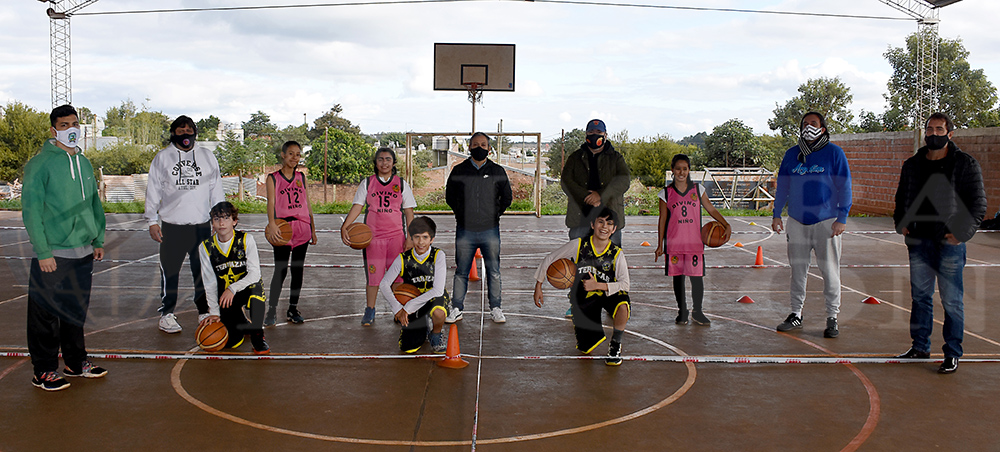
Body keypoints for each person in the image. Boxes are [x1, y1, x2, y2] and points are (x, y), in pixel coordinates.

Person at [22, 104, 108, 391]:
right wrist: (43, 251)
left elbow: (94, 203)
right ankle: (43, 370)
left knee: (74, 310)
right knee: (44, 313)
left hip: (83, 250)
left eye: (74, 124)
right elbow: (31, 210)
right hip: (53, 253)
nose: (71, 129)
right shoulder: (40, 164)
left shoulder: (84, 163)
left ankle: (75, 362)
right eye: (63, 125)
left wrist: (97, 238)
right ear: (53, 130)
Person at [893, 112, 986, 374]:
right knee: (920, 297)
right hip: (918, 242)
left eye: (939, 129)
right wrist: (902, 223)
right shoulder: (912, 164)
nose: (933, 134)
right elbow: (901, 199)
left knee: (952, 301)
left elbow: (978, 204)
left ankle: (952, 353)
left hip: (949, 243)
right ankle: (920, 346)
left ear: (950, 133)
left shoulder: (965, 164)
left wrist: (962, 233)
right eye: (929, 129)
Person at [771, 111, 852, 338]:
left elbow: (845, 187)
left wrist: (842, 218)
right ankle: (796, 314)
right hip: (797, 221)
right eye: (805, 124)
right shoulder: (792, 155)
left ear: (823, 128)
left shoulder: (834, 153)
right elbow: (783, 188)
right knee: (798, 271)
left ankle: (832, 318)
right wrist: (777, 214)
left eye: (814, 123)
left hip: (827, 222)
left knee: (830, 272)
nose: (809, 127)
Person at [144, 115, 224, 334]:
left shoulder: (207, 157)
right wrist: (152, 220)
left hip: (201, 226)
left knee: (203, 271)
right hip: (172, 226)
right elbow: (153, 190)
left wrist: (219, 219)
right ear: (173, 133)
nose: (185, 134)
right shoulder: (163, 158)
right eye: (180, 131)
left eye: (189, 130)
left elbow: (216, 190)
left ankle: (204, 310)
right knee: (170, 272)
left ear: (195, 132)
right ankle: (167, 314)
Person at [533, 207, 631, 366]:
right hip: (585, 298)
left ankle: (615, 345)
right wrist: (539, 285)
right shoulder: (578, 245)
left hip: (607, 294)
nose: (604, 227)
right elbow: (550, 258)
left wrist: (597, 285)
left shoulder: (617, 253)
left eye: (609, 224)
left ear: (614, 229)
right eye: (601, 222)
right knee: (586, 348)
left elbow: (625, 285)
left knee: (623, 304)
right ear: (593, 224)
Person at [342, 147, 416, 326]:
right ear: (376, 163)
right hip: (373, 238)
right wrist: (345, 226)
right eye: (381, 159)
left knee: (397, 277)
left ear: (393, 162)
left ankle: (397, 309)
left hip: (396, 237)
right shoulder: (367, 183)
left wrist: (410, 237)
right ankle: (370, 309)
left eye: (388, 159)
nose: (384, 163)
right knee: (373, 277)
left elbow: (409, 213)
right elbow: (358, 207)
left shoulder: (402, 183)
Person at [655, 154, 731, 326]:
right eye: (678, 169)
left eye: (685, 168)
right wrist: (660, 244)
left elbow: (711, 209)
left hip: (694, 242)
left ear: (689, 170)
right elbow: (662, 220)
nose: (681, 172)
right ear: (672, 170)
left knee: (697, 278)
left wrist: (725, 224)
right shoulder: (665, 193)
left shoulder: (698, 190)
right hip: (674, 243)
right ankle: (682, 311)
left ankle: (698, 311)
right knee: (678, 279)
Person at [445, 132, 512, 324]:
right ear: (469, 147)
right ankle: (457, 308)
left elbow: (507, 198)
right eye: (475, 144)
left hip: (490, 229)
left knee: (494, 271)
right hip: (465, 229)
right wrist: (462, 214)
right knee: (461, 271)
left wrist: (493, 215)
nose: (479, 148)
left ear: (489, 148)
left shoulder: (498, 171)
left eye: (483, 144)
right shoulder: (459, 170)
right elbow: (450, 197)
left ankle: (496, 307)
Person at [197, 202, 269, 354]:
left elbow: (255, 274)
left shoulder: (245, 240)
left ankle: (258, 336)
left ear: (234, 221)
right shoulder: (206, 247)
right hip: (225, 296)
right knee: (231, 342)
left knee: (256, 289)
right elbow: (209, 282)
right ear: (212, 223)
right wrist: (215, 313)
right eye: (217, 219)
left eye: (226, 218)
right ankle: (242, 323)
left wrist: (233, 288)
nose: (221, 223)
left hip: (245, 288)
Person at [264, 141, 318, 326]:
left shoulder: (301, 177)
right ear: (283, 155)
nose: (294, 158)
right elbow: (270, 203)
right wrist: (271, 224)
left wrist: (313, 228)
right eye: (291, 154)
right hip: (282, 228)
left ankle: (292, 308)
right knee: (280, 270)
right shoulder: (273, 178)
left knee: (297, 270)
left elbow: (307, 203)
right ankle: (271, 310)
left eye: (297, 154)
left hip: (302, 227)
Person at [377, 217, 449, 353]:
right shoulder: (403, 258)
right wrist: (397, 308)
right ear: (411, 238)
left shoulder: (438, 255)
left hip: (432, 298)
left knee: (439, 312)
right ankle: (422, 326)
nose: (421, 242)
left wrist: (408, 308)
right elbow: (384, 284)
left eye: (425, 237)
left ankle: (436, 334)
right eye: (416, 237)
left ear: (432, 239)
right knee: (408, 348)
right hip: (413, 299)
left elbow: (438, 290)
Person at [561, 119, 631, 246]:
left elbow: (624, 180)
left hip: (610, 219)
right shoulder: (575, 157)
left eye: (598, 132)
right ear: (586, 135)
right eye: (591, 132)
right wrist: (586, 196)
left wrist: (600, 195)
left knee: (610, 261)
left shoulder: (616, 158)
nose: (594, 135)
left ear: (605, 135)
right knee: (578, 259)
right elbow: (566, 182)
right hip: (580, 219)